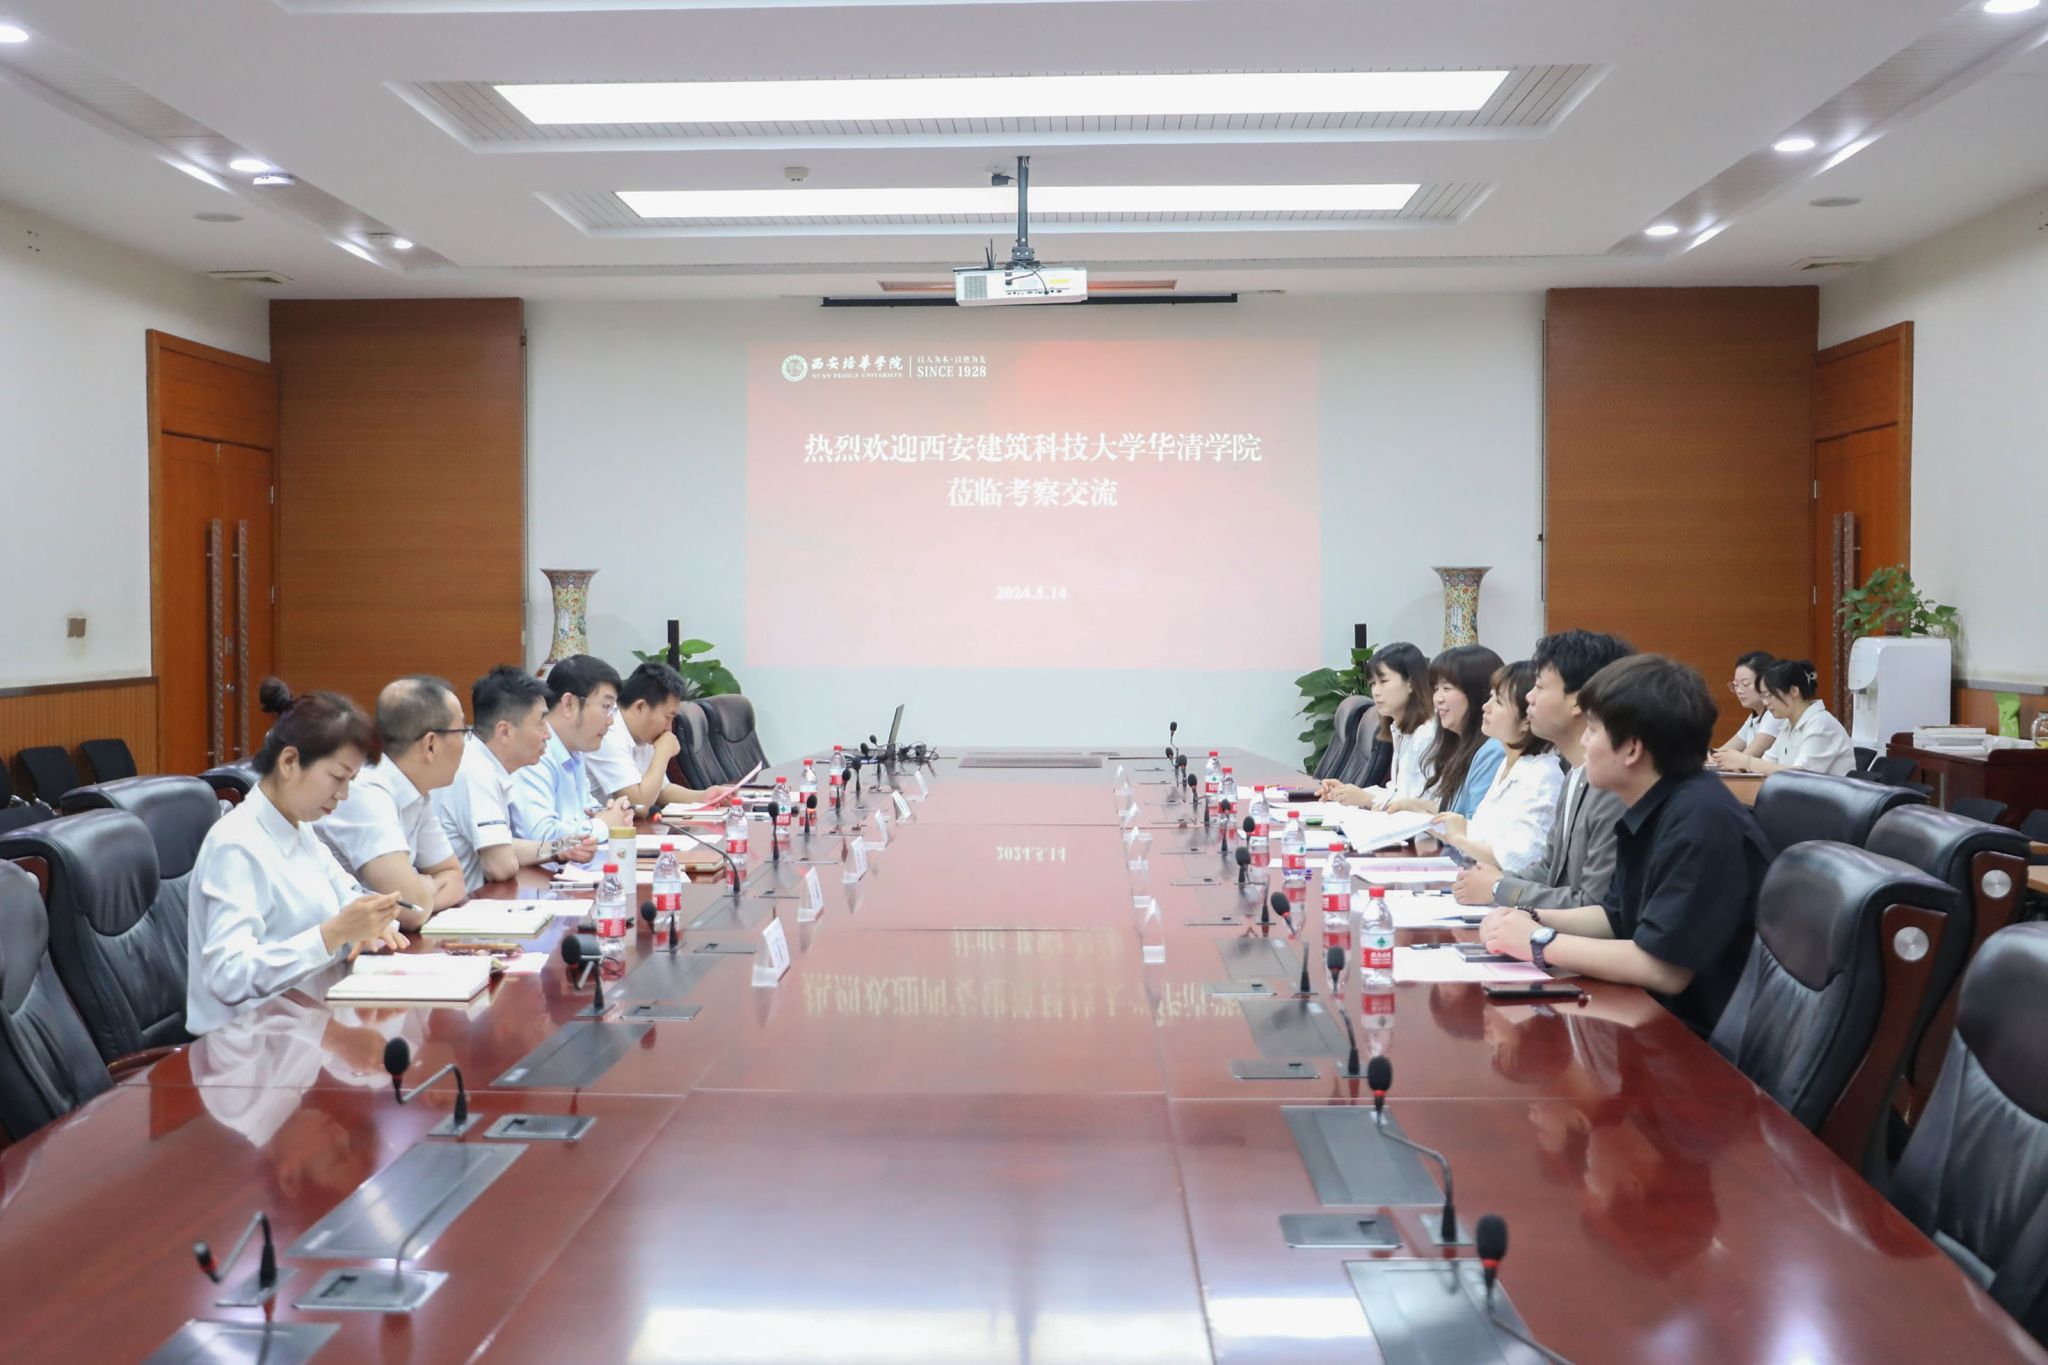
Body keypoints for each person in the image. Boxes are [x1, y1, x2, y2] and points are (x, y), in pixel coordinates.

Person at [1479, 653, 1774, 1036]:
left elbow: (1662, 968)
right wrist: (1528, 916)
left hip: (1693, 1041)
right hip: (1645, 1017)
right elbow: (1613, 917)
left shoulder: (1700, 821)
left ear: (1632, 749)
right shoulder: (1652, 806)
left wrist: (1537, 942)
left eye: (1592, 730)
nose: (1583, 741)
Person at [186, 681, 406, 1036]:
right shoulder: (236, 844)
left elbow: (346, 896)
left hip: (306, 1027)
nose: (344, 794)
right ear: (289, 762)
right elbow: (227, 974)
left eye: (351, 780)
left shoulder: (299, 827)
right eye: (337, 777)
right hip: (248, 1048)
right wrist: (333, 934)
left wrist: (372, 920)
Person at [1453, 629, 1633, 909]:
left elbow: (1594, 905)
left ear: (1578, 701)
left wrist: (1499, 887)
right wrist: (1494, 883)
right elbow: (1550, 869)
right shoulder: (1574, 774)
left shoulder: (1612, 788)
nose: (1529, 698)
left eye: (1539, 686)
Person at [314, 675, 468, 925]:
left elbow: (455, 879)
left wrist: (423, 897)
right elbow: (412, 909)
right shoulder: (365, 791)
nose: (465, 742)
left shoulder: (415, 790)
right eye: (462, 731)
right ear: (430, 745)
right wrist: (423, 893)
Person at [434, 664, 596, 894]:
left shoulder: (484, 763)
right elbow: (500, 865)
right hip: (463, 906)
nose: (548, 734)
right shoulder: (476, 771)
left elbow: (503, 845)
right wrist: (547, 849)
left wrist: (560, 848)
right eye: (541, 723)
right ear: (505, 731)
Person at [1432, 659, 1566, 876]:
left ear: (1527, 719)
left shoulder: (1542, 776)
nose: (1486, 707)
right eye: (1490, 697)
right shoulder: (1510, 763)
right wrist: (1461, 826)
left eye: (1499, 702)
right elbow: (1490, 836)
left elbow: (1520, 859)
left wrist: (1458, 837)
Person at [509, 654, 633, 849]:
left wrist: (613, 813)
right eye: (606, 707)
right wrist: (603, 825)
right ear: (569, 704)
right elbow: (542, 838)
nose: (610, 721)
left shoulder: (574, 752)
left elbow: (585, 810)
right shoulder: (535, 753)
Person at [585, 661, 734, 815]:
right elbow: (639, 806)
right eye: (668, 717)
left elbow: (661, 791)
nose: (669, 728)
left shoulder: (644, 732)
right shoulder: (607, 734)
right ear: (640, 707)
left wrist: (704, 796)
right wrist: (662, 753)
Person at [1385, 644, 1505, 819]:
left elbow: (1473, 825)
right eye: (1436, 689)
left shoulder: (1492, 751)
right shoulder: (1458, 745)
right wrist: (1412, 805)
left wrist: (1422, 815)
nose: (1437, 699)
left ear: (1477, 693)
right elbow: (1454, 808)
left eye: (1447, 689)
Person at [1318, 642, 1437, 810]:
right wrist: (1347, 793)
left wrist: (1368, 799)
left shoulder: (1426, 735)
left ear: (1411, 683)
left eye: (1384, 681)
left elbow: (1422, 806)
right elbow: (1396, 792)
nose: (1376, 691)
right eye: (1373, 683)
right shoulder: (1401, 730)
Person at [1716, 658, 1855, 777]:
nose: (1765, 703)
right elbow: (1767, 764)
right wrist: (1741, 764)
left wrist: (1746, 762)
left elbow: (1801, 775)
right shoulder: (1788, 725)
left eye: (1769, 695)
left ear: (1794, 691)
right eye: (1763, 696)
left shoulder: (1821, 724)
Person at [1712, 651, 1785, 762]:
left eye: (1745, 684)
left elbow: (1743, 759)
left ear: (1765, 682)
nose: (1739, 691)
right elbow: (1721, 753)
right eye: (1736, 685)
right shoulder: (1753, 718)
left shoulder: (1774, 715)